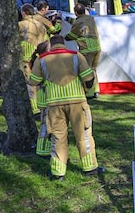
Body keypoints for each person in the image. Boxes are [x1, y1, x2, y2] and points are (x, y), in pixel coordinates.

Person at [28, 35, 102, 180]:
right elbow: (88, 78)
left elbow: (33, 81)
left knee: (58, 138)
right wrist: (86, 90)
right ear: (64, 44)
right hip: (77, 102)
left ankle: (58, 172)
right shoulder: (76, 55)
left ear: (51, 45)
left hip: (54, 104)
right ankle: (90, 168)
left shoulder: (41, 59)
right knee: (84, 135)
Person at [18, 3, 49, 113]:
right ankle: (42, 106)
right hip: (39, 57)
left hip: (26, 59)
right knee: (40, 82)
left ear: (23, 12)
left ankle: (35, 109)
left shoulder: (20, 25)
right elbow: (46, 41)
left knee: (31, 84)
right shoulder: (40, 25)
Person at [66, 2, 101, 98]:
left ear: (75, 12)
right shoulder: (91, 18)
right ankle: (96, 90)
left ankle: (88, 92)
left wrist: (63, 37)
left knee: (86, 71)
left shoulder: (77, 22)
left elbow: (71, 35)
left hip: (86, 49)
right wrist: (69, 19)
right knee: (93, 69)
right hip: (97, 47)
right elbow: (82, 23)